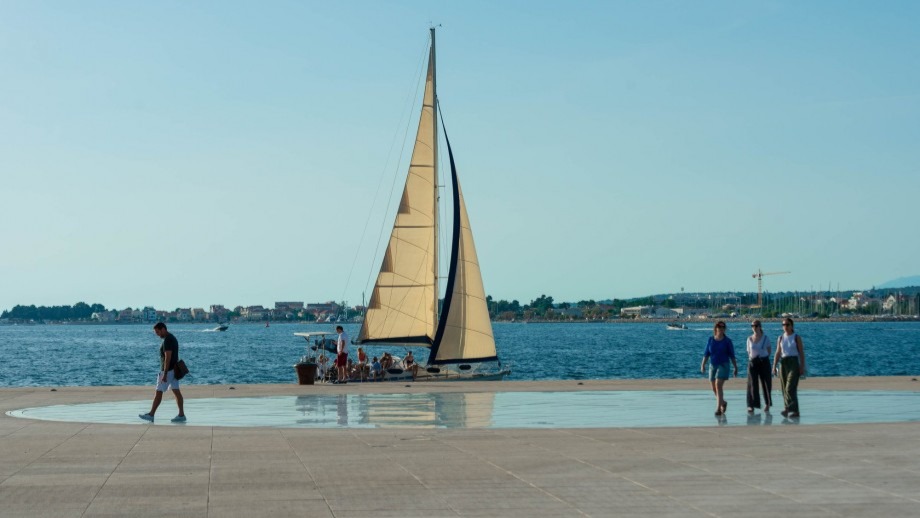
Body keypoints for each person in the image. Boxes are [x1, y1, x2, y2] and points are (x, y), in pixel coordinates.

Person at [139, 322, 186, 423]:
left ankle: (151, 414)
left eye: (158, 332)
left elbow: (167, 358)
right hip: (174, 370)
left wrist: (164, 374)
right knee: (177, 392)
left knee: (158, 392)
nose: (157, 334)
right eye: (156, 332)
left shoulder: (167, 341)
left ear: (163, 329)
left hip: (168, 371)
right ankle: (181, 415)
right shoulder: (172, 338)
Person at [700, 321, 738, 416]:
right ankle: (723, 402)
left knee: (718, 385)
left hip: (724, 365)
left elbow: (732, 355)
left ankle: (718, 409)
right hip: (713, 365)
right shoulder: (711, 340)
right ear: (715, 328)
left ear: (724, 329)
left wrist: (735, 367)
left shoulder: (727, 341)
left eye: (723, 327)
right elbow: (706, 354)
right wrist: (703, 365)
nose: (721, 329)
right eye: (719, 327)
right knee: (714, 388)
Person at [773, 318, 806, 418]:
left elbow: (801, 352)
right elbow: (778, 352)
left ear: (792, 326)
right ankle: (789, 409)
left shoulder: (796, 337)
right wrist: (774, 365)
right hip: (783, 362)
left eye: (787, 325)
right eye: (783, 325)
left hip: (793, 362)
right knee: (784, 388)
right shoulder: (781, 338)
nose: (785, 327)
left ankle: (791, 409)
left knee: (790, 387)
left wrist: (802, 366)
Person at [746, 320, 773, 413]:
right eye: (752, 326)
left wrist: (763, 357)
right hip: (753, 362)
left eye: (756, 325)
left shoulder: (765, 338)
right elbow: (748, 352)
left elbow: (769, 351)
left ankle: (767, 403)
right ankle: (752, 405)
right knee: (752, 383)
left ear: (760, 326)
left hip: (763, 361)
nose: (754, 327)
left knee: (766, 383)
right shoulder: (749, 339)